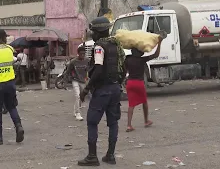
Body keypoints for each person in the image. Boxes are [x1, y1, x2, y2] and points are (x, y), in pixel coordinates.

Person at [78, 16, 126, 166]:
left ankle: (92, 156)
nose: (92, 34)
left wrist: (86, 89)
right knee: (113, 123)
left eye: (93, 31)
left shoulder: (99, 47)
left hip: (102, 90)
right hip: (115, 89)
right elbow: (124, 68)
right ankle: (110, 155)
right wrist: (118, 83)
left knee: (92, 122)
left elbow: (98, 69)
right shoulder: (117, 46)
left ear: (97, 32)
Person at [125, 37, 163, 132]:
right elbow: (156, 54)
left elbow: (123, 69)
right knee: (144, 102)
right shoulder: (142, 60)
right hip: (139, 83)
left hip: (130, 83)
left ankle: (129, 125)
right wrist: (159, 42)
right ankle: (146, 120)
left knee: (131, 105)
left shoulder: (127, 59)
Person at [64, 46, 89, 121]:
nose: (82, 55)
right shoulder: (73, 62)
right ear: (78, 54)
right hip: (75, 80)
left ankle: (75, 110)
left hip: (83, 81)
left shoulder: (87, 60)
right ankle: (78, 113)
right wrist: (65, 82)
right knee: (77, 95)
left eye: (84, 54)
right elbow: (67, 72)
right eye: (81, 54)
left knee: (81, 97)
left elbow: (90, 70)